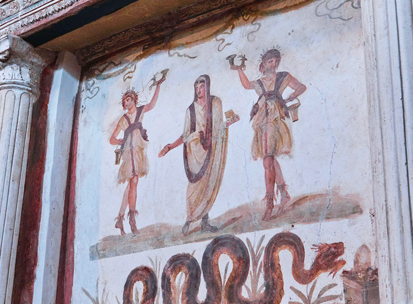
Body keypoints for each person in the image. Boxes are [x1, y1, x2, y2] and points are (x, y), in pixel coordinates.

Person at [159, 75, 238, 235]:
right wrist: (170, 147)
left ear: (207, 86)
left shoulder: (215, 102)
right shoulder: (190, 110)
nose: (199, 90)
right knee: (193, 188)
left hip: (211, 149)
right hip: (195, 152)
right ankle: (189, 220)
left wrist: (229, 122)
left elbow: (218, 126)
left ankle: (205, 223)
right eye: (196, 88)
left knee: (208, 185)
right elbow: (185, 135)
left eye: (201, 86)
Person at [234, 48, 306, 220]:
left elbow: (301, 86)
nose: (273, 64)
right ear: (263, 64)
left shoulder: (283, 77)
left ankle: (269, 203)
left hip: (275, 120)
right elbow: (247, 85)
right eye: (270, 61)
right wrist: (239, 70)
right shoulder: (259, 83)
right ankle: (283, 193)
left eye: (275, 61)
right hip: (261, 121)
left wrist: (292, 96)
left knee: (267, 160)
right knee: (270, 159)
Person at [109, 76, 163, 234]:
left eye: (128, 100)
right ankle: (132, 220)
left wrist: (158, 86)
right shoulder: (124, 119)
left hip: (139, 151)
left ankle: (120, 218)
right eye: (124, 101)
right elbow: (112, 139)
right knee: (134, 181)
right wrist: (121, 141)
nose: (126, 103)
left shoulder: (140, 111)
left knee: (132, 184)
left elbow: (152, 104)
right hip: (129, 152)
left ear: (134, 99)